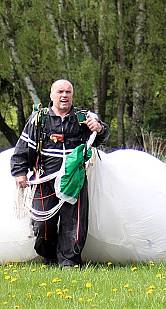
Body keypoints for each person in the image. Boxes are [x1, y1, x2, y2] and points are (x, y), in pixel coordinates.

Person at [10, 79, 109, 267]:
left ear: (72, 95)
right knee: (42, 224)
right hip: (44, 179)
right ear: (51, 95)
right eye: (60, 92)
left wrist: (99, 128)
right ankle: (49, 255)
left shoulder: (83, 118)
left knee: (75, 224)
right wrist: (19, 172)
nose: (64, 95)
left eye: (68, 92)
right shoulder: (39, 119)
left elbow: (99, 138)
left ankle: (69, 263)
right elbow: (22, 148)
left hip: (74, 179)